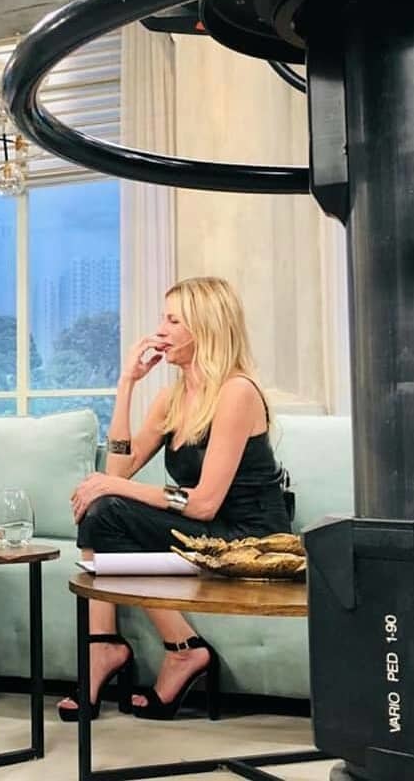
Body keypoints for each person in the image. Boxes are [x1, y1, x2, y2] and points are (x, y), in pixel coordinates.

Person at [58, 276, 290, 722]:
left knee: (107, 505)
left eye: (173, 320)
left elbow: (203, 504)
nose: (160, 330)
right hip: (206, 530)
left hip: (249, 538)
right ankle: (111, 645)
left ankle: (167, 650)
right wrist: (126, 384)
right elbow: (118, 471)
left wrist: (111, 487)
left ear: (205, 328)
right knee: (101, 511)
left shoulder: (237, 392)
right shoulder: (172, 397)